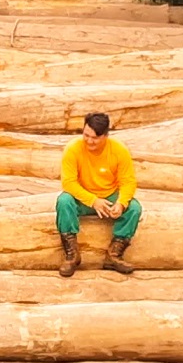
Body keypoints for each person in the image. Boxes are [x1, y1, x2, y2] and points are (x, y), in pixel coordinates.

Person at [59, 111, 143, 275]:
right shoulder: (73, 149)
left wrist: (121, 203)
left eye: (95, 138)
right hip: (82, 197)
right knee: (64, 201)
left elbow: (128, 181)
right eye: (86, 135)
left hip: (110, 196)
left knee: (134, 207)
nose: (89, 141)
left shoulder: (119, 150)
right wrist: (92, 200)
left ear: (105, 135)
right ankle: (72, 255)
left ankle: (114, 254)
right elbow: (68, 182)